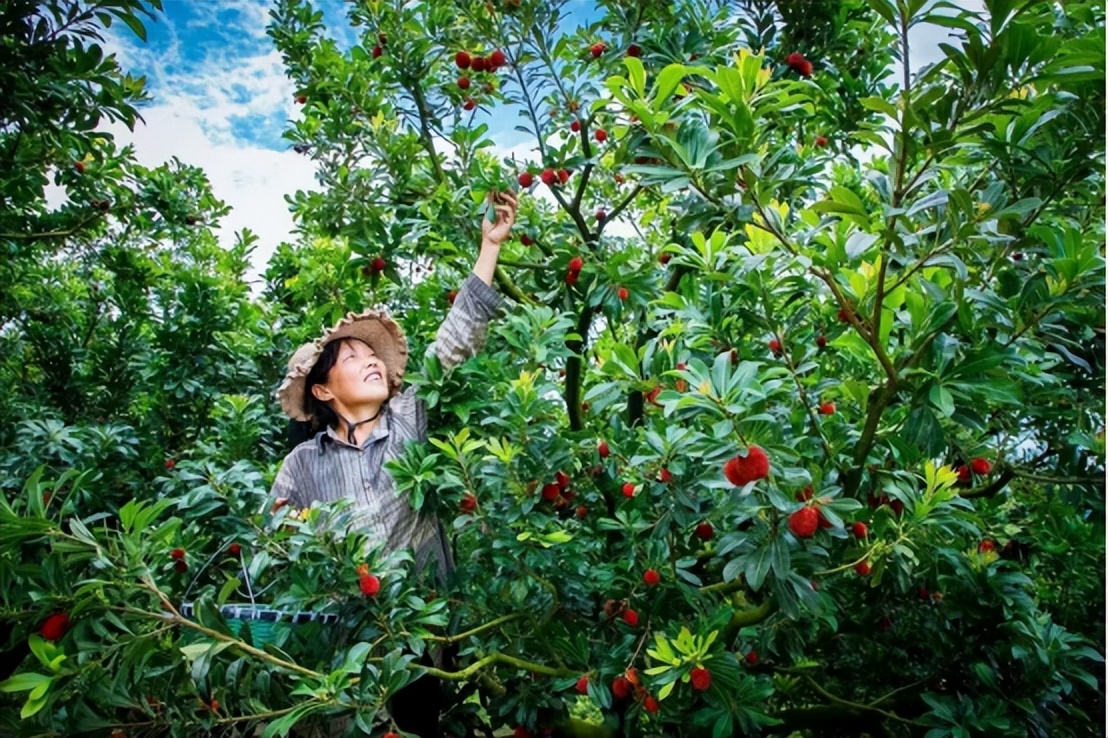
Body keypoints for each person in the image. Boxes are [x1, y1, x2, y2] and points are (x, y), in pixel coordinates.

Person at [269, 190, 518, 737]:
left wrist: (488, 248)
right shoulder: (303, 466)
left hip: (424, 635)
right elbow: (276, 547)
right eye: (353, 359)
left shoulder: (409, 417)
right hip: (350, 648)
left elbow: (454, 342)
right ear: (323, 391)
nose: (372, 363)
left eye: (372, 355)